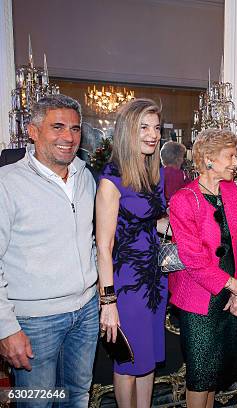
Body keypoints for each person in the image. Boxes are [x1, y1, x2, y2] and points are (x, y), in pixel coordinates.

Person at [0, 94, 99, 407]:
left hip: (85, 312)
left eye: (75, 128)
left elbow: (89, 240)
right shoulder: (7, 183)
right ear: (33, 131)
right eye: (57, 127)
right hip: (33, 322)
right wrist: (6, 328)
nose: (68, 137)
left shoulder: (86, 178)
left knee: (77, 397)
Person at [168, 128, 237, 408]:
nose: (236, 163)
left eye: (236, 156)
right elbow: (193, 259)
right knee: (200, 373)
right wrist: (233, 285)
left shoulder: (230, 190)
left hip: (229, 295)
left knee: (216, 370)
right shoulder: (183, 199)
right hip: (198, 299)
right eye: (230, 156)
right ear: (208, 159)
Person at [96, 99, 168, 407]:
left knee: (148, 358)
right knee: (128, 360)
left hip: (154, 282)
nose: (152, 135)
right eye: (144, 127)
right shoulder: (111, 179)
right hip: (125, 285)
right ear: (128, 131)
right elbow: (103, 245)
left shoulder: (154, 173)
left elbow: (154, 223)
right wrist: (108, 302)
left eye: (156, 128)